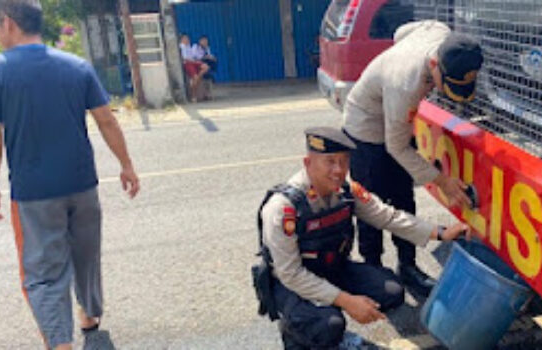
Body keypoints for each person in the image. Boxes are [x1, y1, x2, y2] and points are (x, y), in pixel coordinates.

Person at [0, 1, 140, 349]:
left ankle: (59, 342)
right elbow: (107, 120)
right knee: (86, 254)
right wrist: (126, 165)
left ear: (8, 23)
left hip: (34, 194)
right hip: (82, 185)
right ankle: (89, 315)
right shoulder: (77, 66)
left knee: (43, 274)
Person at [254, 127, 471, 349]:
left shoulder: (345, 191)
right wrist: (346, 301)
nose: (338, 170)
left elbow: (387, 216)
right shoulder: (283, 208)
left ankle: (325, 319)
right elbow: (290, 274)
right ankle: (297, 334)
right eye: (330, 161)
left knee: (392, 292)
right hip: (292, 283)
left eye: (344, 161)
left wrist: (440, 233)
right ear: (308, 163)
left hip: (332, 267)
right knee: (329, 324)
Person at [341, 20, 483, 295]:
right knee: (372, 204)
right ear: (433, 65)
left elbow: (399, 32)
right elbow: (397, 148)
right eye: (446, 85)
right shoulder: (406, 84)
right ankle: (372, 269)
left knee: (403, 197)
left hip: (394, 123)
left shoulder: (440, 33)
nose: (443, 92)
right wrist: (442, 180)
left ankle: (407, 266)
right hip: (366, 129)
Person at [179, 33, 209, 102]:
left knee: (206, 67)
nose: (187, 40)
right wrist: (194, 61)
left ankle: (197, 77)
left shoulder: (189, 46)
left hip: (194, 62)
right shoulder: (182, 46)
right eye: (185, 38)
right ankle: (193, 95)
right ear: (182, 40)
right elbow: (185, 58)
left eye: (188, 38)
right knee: (195, 78)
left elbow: (193, 56)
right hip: (188, 63)